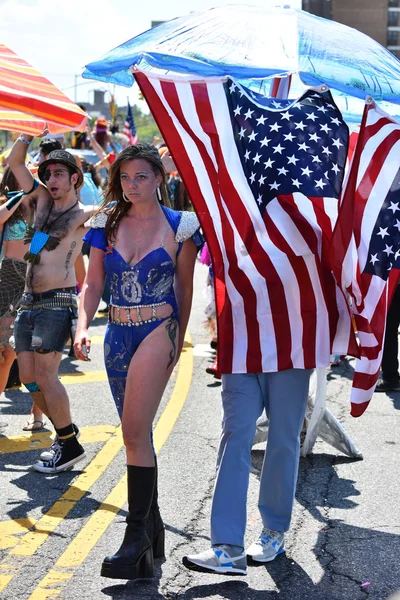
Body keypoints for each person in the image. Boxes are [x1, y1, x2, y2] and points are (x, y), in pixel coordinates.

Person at [74, 143, 203, 580]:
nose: (132, 185)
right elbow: (92, 284)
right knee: (138, 433)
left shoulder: (181, 227)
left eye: (141, 177)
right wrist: (80, 327)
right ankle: (154, 526)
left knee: (131, 432)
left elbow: (184, 291)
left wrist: (176, 343)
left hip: (156, 331)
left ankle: (135, 540)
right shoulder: (105, 225)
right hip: (116, 334)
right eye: (125, 178)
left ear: (159, 178)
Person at [7, 136, 94, 473]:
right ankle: (66, 432)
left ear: (75, 178)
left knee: (45, 374)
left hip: (56, 303)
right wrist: (27, 131)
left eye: (60, 173)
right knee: (27, 378)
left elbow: (125, 209)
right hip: (28, 302)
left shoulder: (84, 215)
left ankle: (68, 444)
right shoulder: (42, 203)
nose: (52, 180)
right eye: (49, 174)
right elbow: (15, 162)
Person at [0, 167, 45, 429]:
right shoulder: (7, 205)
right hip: (6, 279)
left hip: (32, 276)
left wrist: (31, 263)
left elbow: (43, 239)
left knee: (35, 353)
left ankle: (36, 414)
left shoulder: (43, 206)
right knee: (5, 353)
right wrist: (15, 199)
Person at [375, 285, 400, 392]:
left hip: (394, 285)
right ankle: (391, 379)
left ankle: (391, 379)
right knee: (389, 332)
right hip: (393, 284)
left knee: (389, 332)